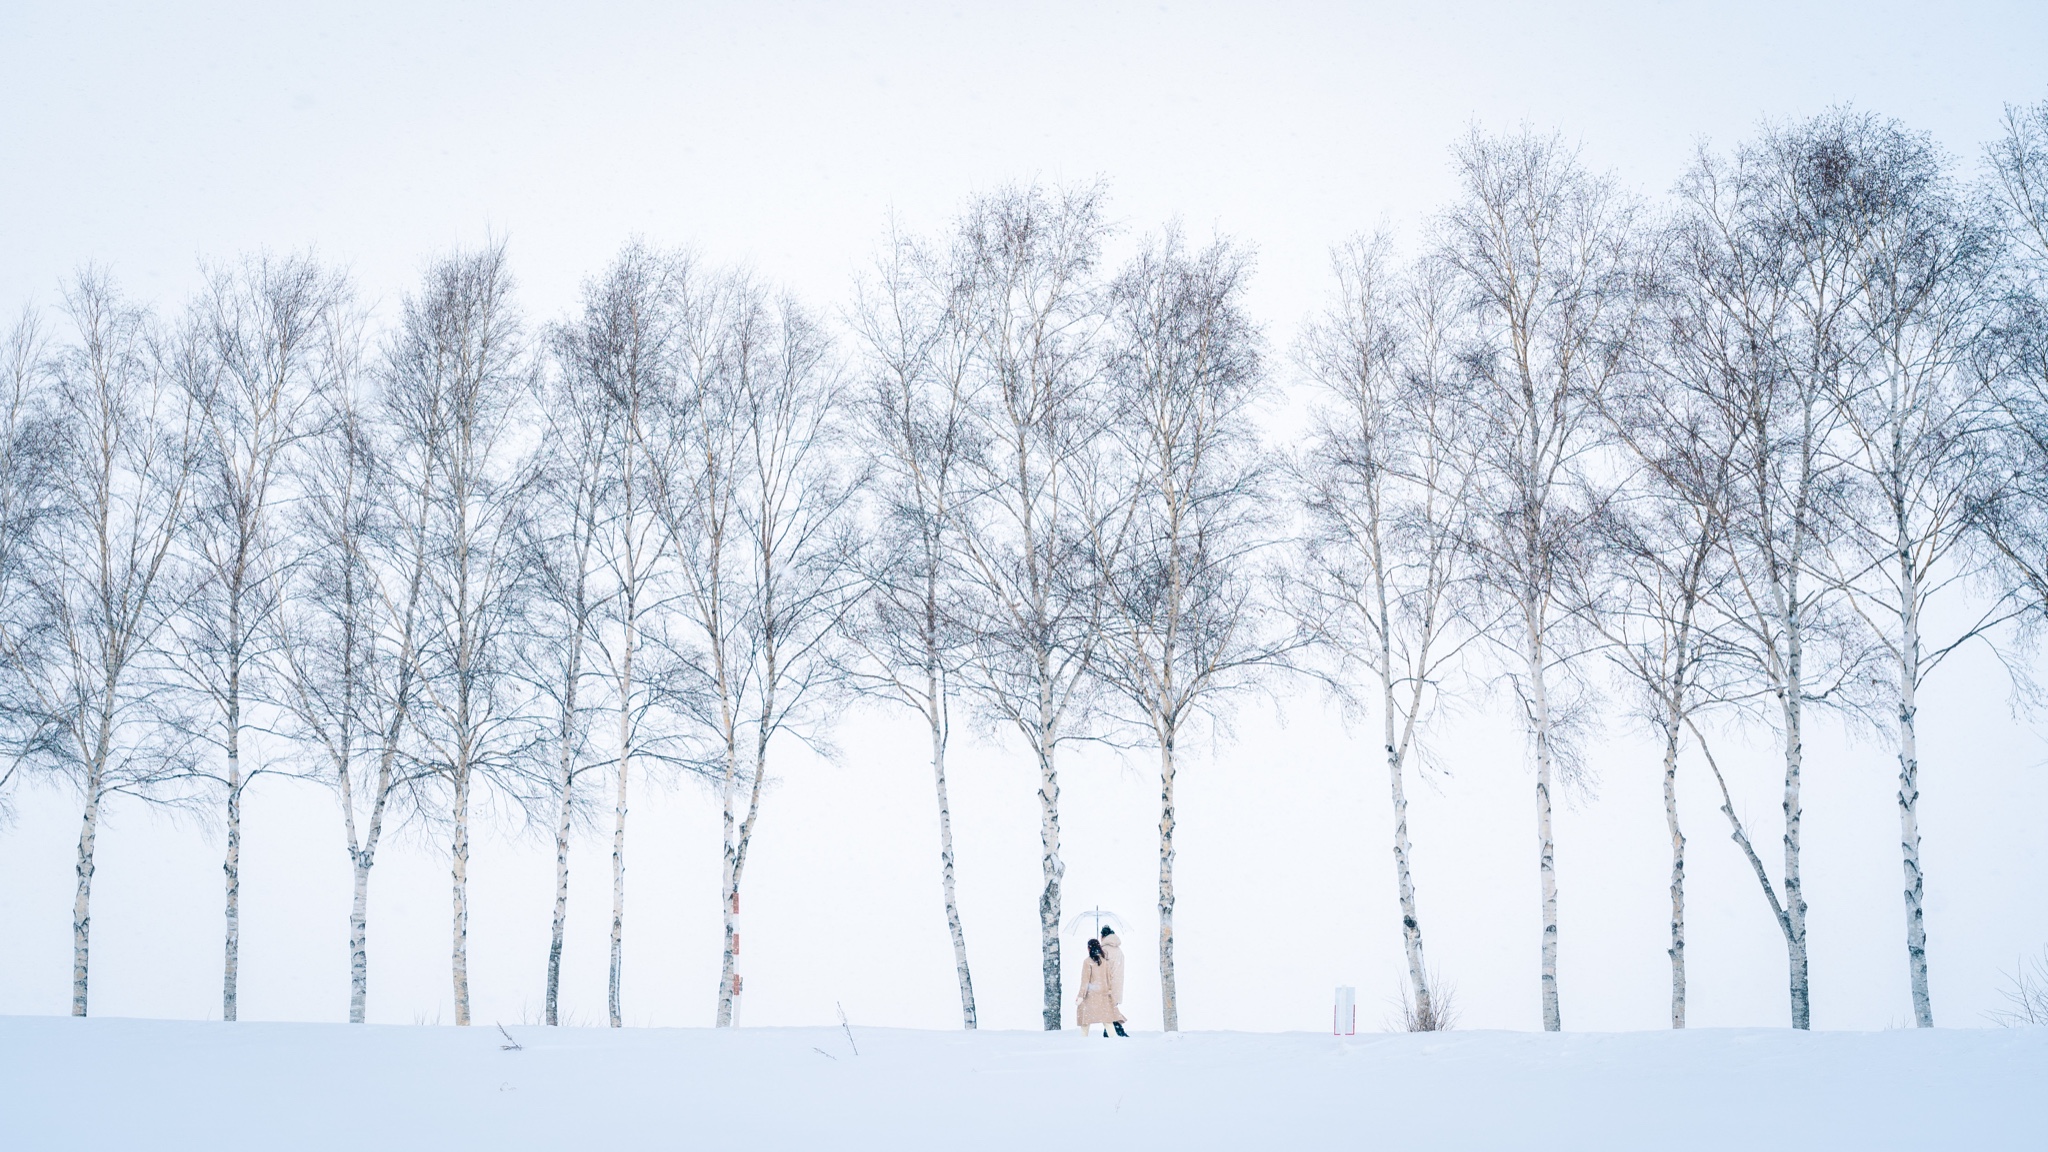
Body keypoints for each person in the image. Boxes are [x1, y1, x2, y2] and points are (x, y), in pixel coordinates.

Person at [1075, 937, 1126, 1037]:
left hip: (1090, 995)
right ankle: (1114, 1039)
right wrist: (1109, 993)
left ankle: (1083, 1039)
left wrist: (1080, 996)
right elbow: (1109, 979)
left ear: (1089, 948)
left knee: (1085, 1019)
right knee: (1107, 1020)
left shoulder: (1087, 962)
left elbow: (1085, 981)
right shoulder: (1105, 962)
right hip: (1103, 995)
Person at [1099, 927, 1128, 1037]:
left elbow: (1101, 968)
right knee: (1110, 1008)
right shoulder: (1118, 950)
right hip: (1117, 983)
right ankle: (1112, 1030)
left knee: (1107, 1008)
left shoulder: (1105, 950)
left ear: (1103, 936)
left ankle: (1116, 1029)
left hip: (1107, 983)